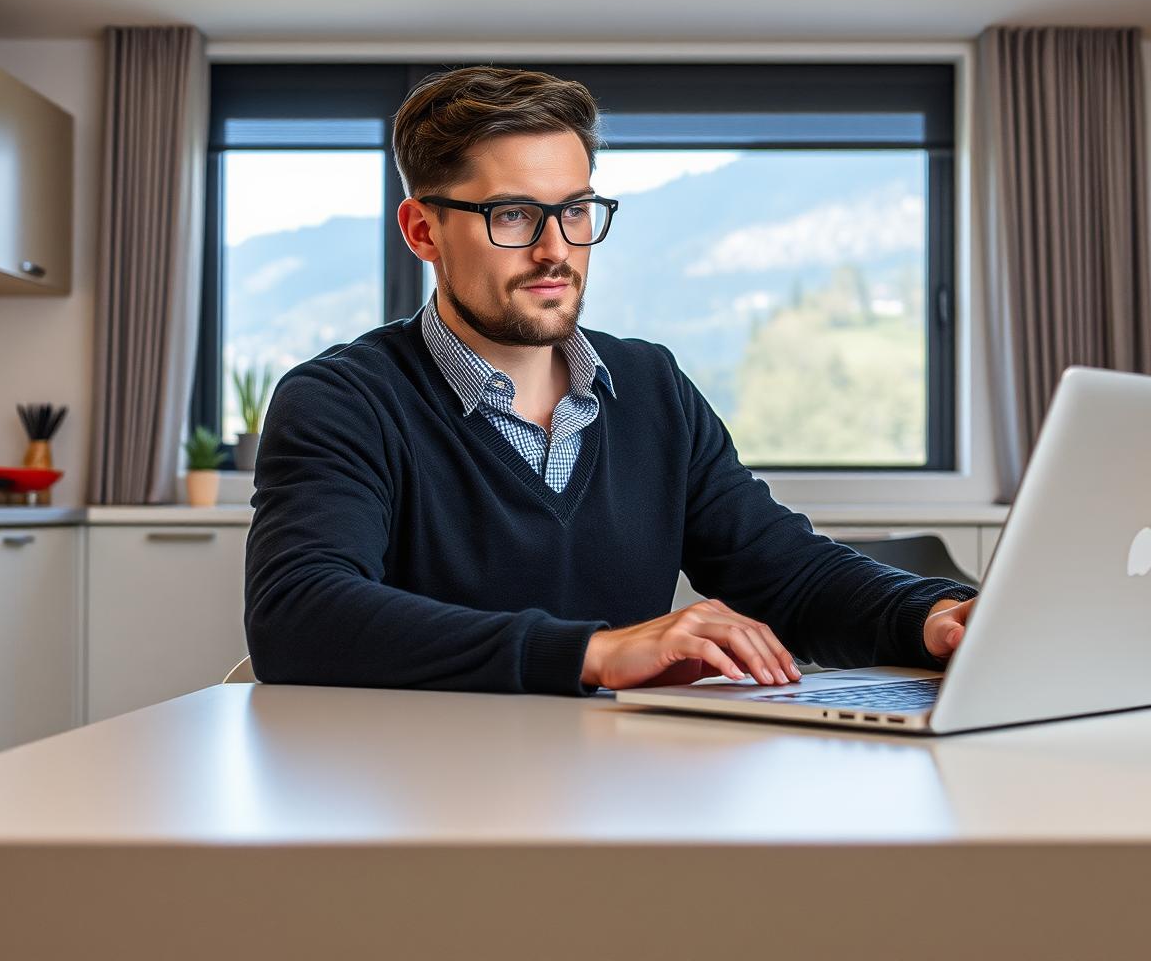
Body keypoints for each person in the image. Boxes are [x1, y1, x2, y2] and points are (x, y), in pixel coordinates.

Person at [243, 66, 978, 694]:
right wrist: (594, 653)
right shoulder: (342, 400)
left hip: (627, 791)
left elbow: (788, 575)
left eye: (574, 210)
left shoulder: (650, 386)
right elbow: (301, 615)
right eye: (512, 215)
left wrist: (934, 618)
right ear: (422, 231)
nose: (555, 249)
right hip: (425, 805)